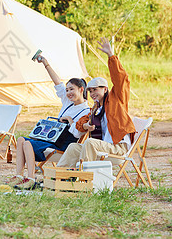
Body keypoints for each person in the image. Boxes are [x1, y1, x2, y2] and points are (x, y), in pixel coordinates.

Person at [8, 54, 90, 190]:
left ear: (81, 90)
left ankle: (31, 178)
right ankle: (19, 176)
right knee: (21, 139)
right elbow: (57, 82)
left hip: (65, 144)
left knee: (28, 143)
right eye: (68, 90)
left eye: (72, 89)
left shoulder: (86, 111)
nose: (68, 92)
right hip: (53, 138)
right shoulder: (68, 102)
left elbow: (77, 134)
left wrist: (70, 121)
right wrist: (45, 63)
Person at [56, 37, 136, 167]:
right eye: (90, 91)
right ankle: (58, 178)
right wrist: (84, 126)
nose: (92, 94)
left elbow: (121, 79)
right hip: (102, 146)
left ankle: (85, 179)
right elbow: (83, 122)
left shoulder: (117, 100)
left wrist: (111, 56)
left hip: (118, 148)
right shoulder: (96, 108)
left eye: (95, 90)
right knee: (73, 147)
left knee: (90, 142)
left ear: (105, 89)